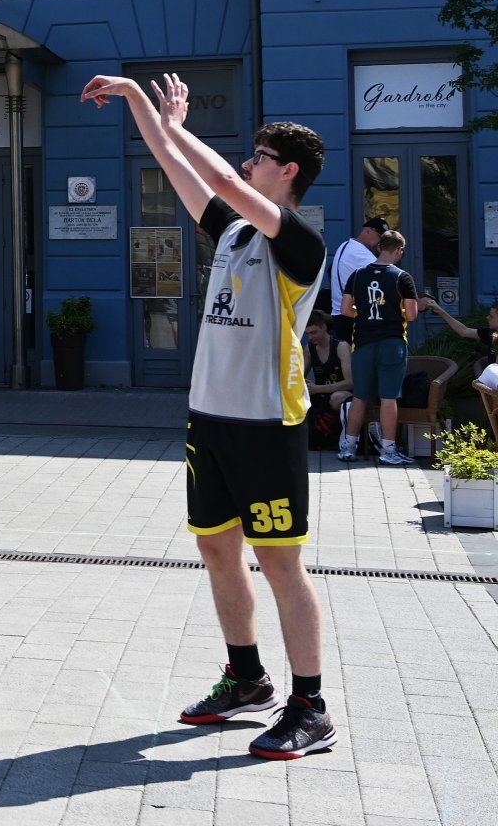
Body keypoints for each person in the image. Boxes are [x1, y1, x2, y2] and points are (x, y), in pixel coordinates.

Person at [82, 71, 336, 759]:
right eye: (248, 154)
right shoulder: (230, 235)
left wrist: (147, 99)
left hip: (266, 424)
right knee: (217, 550)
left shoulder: (301, 243)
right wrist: (150, 116)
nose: (247, 162)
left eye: (258, 156)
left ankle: (310, 706)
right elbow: (175, 167)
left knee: (281, 565)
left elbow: (222, 180)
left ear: (286, 172)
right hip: (210, 419)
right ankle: (247, 679)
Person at [339, 228, 419, 465]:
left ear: (378, 247)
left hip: (363, 342)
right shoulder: (402, 277)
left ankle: (348, 447)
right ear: (399, 251)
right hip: (392, 342)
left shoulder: (358, 274)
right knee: (388, 397)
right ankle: (389, 450)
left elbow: (345, 310)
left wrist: (363, 314)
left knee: (360, 396)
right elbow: (412, 315)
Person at [327, 217, 386, 344]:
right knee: (362, 359)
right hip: (352, 316)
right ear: (368, 231)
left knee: (350, 358)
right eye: (380, 236)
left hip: (340, 314)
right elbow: (387, 278)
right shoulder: (362, 255)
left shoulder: (346, 245)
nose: (380, 241)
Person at [301, 311, 351, 451]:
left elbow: (350, 383)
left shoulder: (341, 347)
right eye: (307, 334)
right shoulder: (309, 349)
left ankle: (346, 438)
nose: (311, 337)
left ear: (324, 327)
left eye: (314, 332)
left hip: (345, 396)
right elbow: (299, 376)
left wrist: (317, 388)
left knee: (337, 397)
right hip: (321, 398)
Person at [420, 297, 498, 375]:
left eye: (491, 316)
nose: (487, 318)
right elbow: (464, 331)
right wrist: (440, 311)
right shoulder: (491, 333)